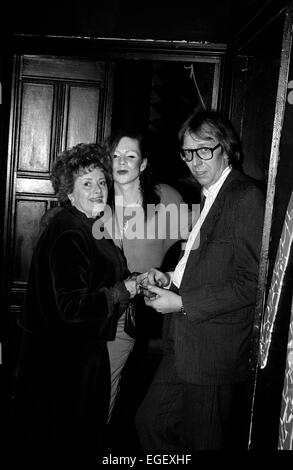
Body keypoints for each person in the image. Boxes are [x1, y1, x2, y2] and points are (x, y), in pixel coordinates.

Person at [135, 110, 265, 450]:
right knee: (151, 423)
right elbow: (202, 264)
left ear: (226, 148)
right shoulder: (210, 196)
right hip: (182, 339)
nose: (195, 161)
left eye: (204, 149)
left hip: (213, 350)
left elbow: (252, 283)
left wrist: (182, 302)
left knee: (202, 441)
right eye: (187, 152)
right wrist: (168, 277)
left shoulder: (245, 196)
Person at [14, 143, 138, 453]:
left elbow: (96, 274)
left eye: (101, 181)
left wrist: (131, 281)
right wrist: (125, 290)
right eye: (87, 183)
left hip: (71, 359)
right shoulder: (69, 231)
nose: (98, 189)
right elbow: (72, 308)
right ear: (70, 193)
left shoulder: (82, 222)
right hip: (63, 366)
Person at [103, 129, 191, 434]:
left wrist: (167, 281)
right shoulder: (96, 196)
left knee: (104, 389)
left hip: (127, 314)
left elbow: (191, 250)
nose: (121, 162)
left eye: (130, 156)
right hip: (91, 307)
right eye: (115, 155)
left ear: (143, 164)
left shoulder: (166, 198)